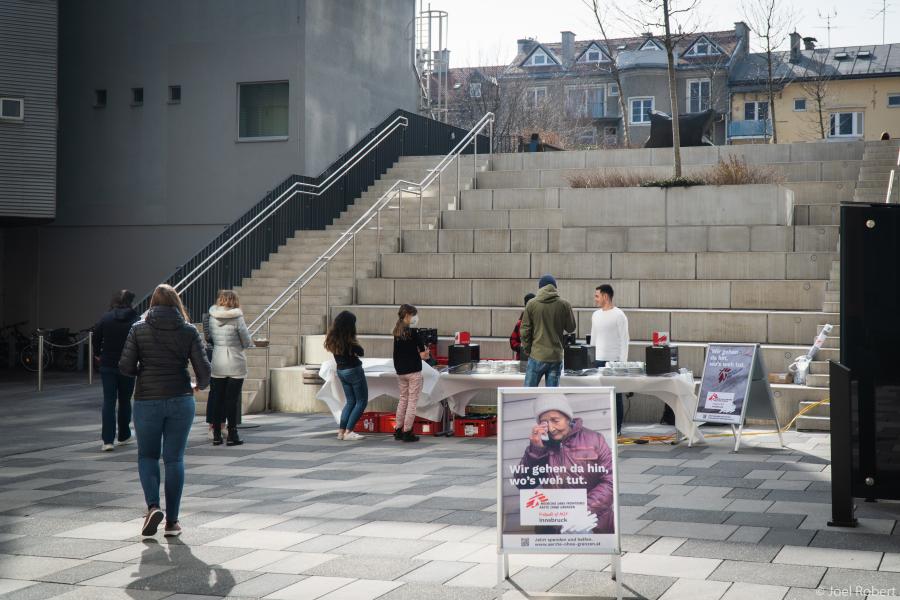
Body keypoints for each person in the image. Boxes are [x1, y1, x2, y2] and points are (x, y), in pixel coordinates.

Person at [119, 283, 210, 538]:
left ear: (152, 304)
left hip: (147, 399)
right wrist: (198, 385)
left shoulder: (138, 329)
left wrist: (145, 374)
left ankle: (152, 507)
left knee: (147, 456)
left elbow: (125, 366)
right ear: (176, 303)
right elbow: (204, 371)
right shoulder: (188, 330)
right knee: (174, 459)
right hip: (181, 398)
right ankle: (172, 522)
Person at [516, 394, 614, 534]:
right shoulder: (540, 445)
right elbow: (522, 483)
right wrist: (536, 450)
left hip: (592, 521)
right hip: (552, 525)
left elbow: (610, 481)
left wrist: (582, 510)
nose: (551, 428)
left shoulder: (595, 439)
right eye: (544, 422)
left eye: (555, 420)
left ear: (568, 418)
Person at [93, 289, 139, 451]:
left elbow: (96, 338)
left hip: (108, 364)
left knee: (109, 401)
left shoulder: (106, 318)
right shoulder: (135, 318)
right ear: (130, 302)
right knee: (125, 400)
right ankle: (124, 435)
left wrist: (98, 354)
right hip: (128, 364)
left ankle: (107, 440)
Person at [206, 290, 253, 447]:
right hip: (235, 360)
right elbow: (246, 340)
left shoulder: (211, 316)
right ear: (234, 301)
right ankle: (233, 434)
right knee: (231, 400)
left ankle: (217, 435)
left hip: (218, 359)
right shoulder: (237, 317)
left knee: (217, 399)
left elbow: (210, 337)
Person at [521, 275, 576, 388]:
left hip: (537, 355)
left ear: (540, 288)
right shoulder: (564, 304)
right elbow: (571, 328)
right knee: (552, 397)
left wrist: (527, 350)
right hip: (555, 357)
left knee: (527, 394)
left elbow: (525, 331)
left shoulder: (531, 304)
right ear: (554, 287)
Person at [590, 284, 629, 436]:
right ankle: (601, 427)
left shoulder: (619, 315)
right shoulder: (595, 315)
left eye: (597, 296)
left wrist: (622, 363)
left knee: (616, 395)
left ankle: (617, 428)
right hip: (598, 360)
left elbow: (625, 340)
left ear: (605, 296)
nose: (595, 299)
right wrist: (591, 360)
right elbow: (593, 339)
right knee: (599, 395)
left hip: (613, 362)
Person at [325, 311, 368, 441]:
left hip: (341, 371)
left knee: (350, 402)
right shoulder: (349, 341)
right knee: (361, 402)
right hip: (354, 370)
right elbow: (361, 352)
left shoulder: (332, 339)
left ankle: (341, 431)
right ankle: (349, 431)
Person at [392, 304, 430, 442]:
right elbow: (423, 354)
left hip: (400, 371)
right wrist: (426, 352)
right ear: (408, 316)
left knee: (403, 399)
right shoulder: (414, 333)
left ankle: (398, 429)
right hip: (413, 371)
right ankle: (408, 431)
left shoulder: (396, 332)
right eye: (414, 314)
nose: (416, 317)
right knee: (412, 401)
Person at [510, 293, 536, 360]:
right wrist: (521, 347)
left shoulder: (539, 322)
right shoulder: (520, 324)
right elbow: (513, 341)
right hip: (523, 359)